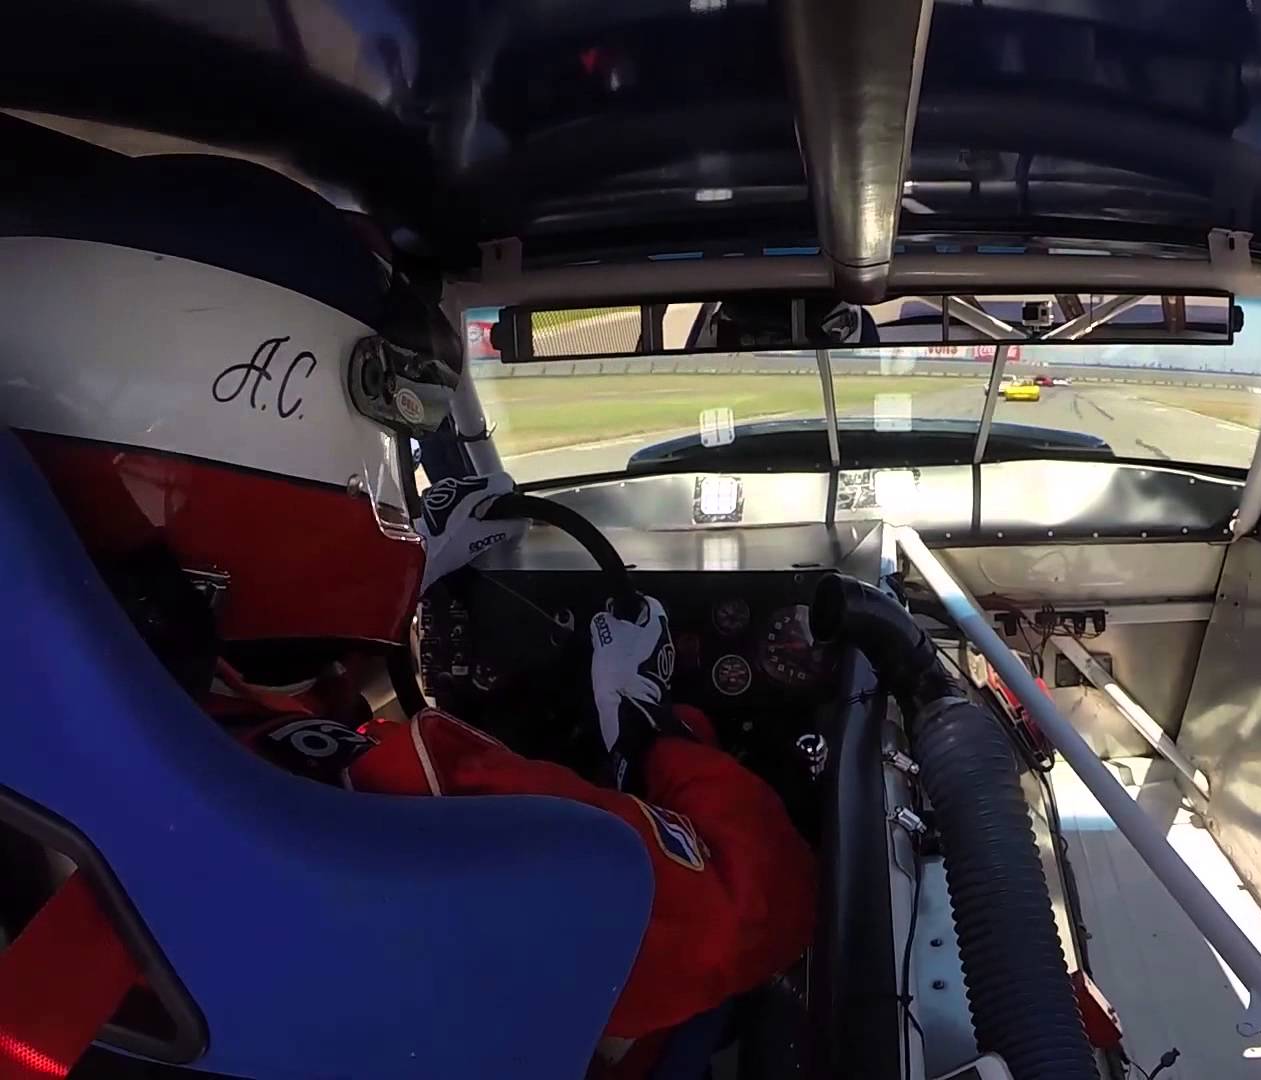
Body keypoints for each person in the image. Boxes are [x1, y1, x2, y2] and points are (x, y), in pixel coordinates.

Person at [0, 153, 813, 1077]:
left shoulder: (96, 726)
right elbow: (762, 906)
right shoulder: (408, 802)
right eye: (384, 421)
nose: (396, 465)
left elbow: (250, 712)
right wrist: (652, 728)